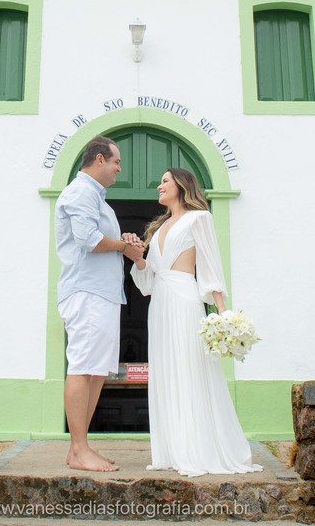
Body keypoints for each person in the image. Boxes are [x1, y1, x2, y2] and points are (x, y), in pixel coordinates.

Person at [129, 167, 262, 477]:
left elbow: (210, 265)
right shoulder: (159, 227)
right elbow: (148, 283)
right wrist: (137, 259)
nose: (159, 185)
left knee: (189, 368)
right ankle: (174, 450)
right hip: (160, 304)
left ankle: (198, 449)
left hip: (185, 300)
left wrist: (223, 312)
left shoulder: (199, 218)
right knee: (166, 372)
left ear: (181, 184)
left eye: (164, 181)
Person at [56, 135, 145, 472]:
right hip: (87, 292)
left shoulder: (99, 199)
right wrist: (123, 247)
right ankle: (79, 449)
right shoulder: (81, 192)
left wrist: (123, 242)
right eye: (116, 162)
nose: (119, 169)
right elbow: (88, 240)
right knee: (83, 367)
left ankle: (80, 448)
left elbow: (100, 239)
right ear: (98, 160)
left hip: (102, 294)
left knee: (95, 371)